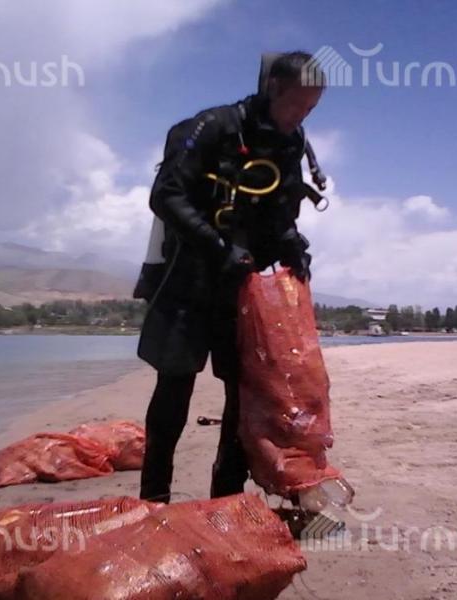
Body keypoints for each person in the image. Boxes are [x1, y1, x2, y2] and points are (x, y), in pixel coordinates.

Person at [133, 51, 327, 503]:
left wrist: (291, 244)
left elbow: (280, 210)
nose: (301, 116)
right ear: (274, 88)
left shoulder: (291, 143)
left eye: (311, 109)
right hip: (188, 280)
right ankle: (154, 498)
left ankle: (227, 497)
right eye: (297, 105)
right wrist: (218, 247)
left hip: (242, 289)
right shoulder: (212, 127)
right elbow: (166, 196)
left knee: (245, 393)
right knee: (174, 386)